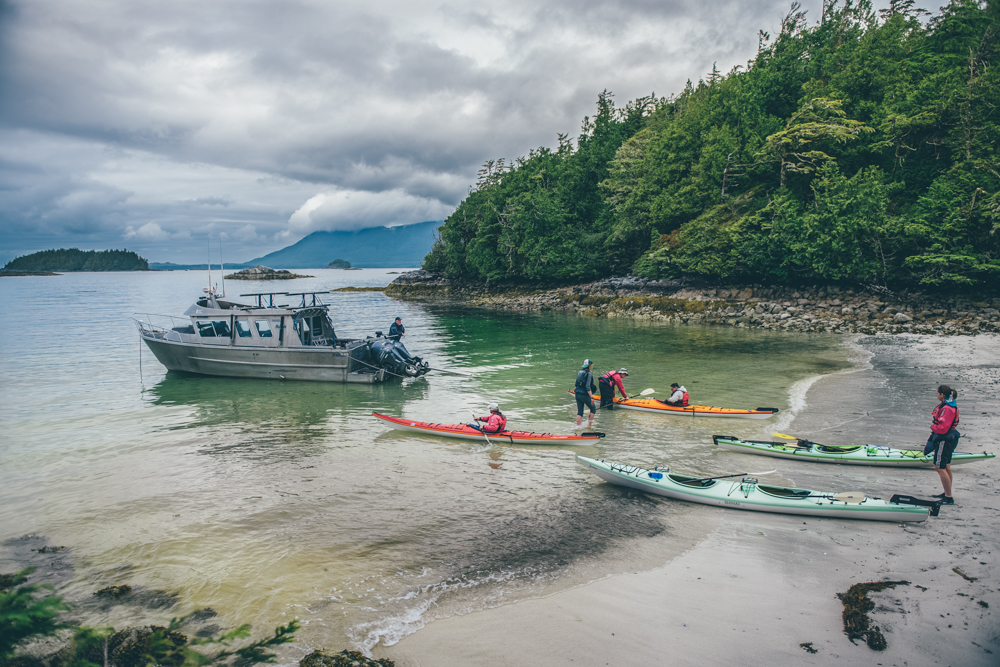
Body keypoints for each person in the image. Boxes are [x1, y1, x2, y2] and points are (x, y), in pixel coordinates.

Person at [926, 384, 960, 505]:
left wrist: (932, 427)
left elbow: (943, 428)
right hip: (949, 438)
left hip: (945, 439)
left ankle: (948, 497)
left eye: (937, 393)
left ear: (942, 395)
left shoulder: (947, 409)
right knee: (946, 465)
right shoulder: (949, 405)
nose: (936, 395)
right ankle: (947, 492)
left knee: (939, 467)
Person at [575, 359, 597, 428]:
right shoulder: (589, 374)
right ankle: (589, 426)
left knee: (580, 412)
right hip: (584, 394)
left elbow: (576, 384)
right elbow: (588, 387)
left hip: (577, 394)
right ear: (589, 366)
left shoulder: (579, 372)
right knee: (593, 409)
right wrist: (592, 397)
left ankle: (578, 427)